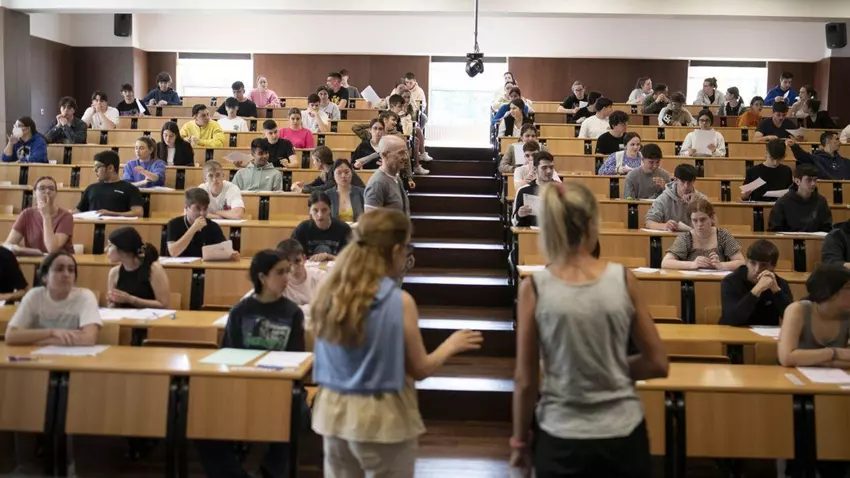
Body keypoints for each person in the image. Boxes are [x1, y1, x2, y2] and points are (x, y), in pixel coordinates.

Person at [510, 181, 668, 477]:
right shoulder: (623, 279)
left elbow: (525, 380)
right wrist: (609, 369)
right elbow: (658, 363)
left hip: (561, 433)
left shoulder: (534, 288)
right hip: (623, 433)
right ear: (593, 224)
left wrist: (519, 442)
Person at [312, 208, 482, 476]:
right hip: (382, 418)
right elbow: (420, 369)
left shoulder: (328, 292)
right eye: (407, 248)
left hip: (333, 414)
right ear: (394, 251)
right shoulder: (399, 301)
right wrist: (451, 345)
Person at [197, 249, 305, 478]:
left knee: (297, 412)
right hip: (242, 383)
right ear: (262, 277)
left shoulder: (293, 312)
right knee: (200, 415)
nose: (287, 277)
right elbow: (229, 354)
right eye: (280, 272)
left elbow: (296, 359)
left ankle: (270, 471)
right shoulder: (240, 311)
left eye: (287, 271)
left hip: (280, 386)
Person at [4, 251, 101, 346]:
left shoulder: (85, 296)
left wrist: (36, 341)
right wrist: (51, 332)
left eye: (71, 270)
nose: (66, 274)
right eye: (59, 269)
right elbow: (10, 336)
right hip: (38, 355)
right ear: (44, 276)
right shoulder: (34, 296)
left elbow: (89, 338)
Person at [778, 264, 850, 368]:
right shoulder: (798, 310)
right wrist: (834, 353)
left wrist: (817, 361)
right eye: (848, 287)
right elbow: (787, 358)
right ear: (829, 291)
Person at [720, 239, 793, 327]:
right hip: (734, 332)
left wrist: (776, 291)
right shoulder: (731, 282)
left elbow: (792, 318)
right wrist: (758, 289)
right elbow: (732, 319)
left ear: (773, 267)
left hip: (766, 334)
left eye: (763, 265)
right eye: (753, 263)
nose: (757, 269)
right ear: (747, 262)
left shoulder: (780, 284)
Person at [661, 199, 745, 271]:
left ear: (712, 218)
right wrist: (692, 264)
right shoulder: (686, 237)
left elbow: (741, 262)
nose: (699, 224)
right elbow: (665, 262)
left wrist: (721, 265)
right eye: (695, 220)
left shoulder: (723, 235)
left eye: (703, 219)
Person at [5, 176, 73, 255]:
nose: (47, 191)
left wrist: (46, 216)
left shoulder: (66, 216)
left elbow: (53, 250)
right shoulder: (26, 214)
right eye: (42, 188)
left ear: (56, 193)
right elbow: (8, 246)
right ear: (34, 193)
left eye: (51, 189)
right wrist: (29, 251)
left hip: (59, 261)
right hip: (33, 260)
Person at [105, 227, 170, 309]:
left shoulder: (154, 269)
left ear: (124, 248)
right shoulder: (114, 273)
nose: (105, 249)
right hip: (124, 317)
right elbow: (111, 306)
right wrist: (113, 302)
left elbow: (164, 305)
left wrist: (130, 299)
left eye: (110, 246)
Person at [166, 188, 235, 259]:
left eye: (205, 209)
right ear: (186, 207)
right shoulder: (174, 224)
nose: (202, 213)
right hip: (180, 265)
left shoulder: (213, 226)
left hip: (205, 265)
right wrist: (194, 228)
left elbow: (225, 250)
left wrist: (232, 254)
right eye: (197, 208)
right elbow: (173, 252)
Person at [74, 150, 144, 218]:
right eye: (94, 167)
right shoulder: (91, 188)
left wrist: (112, 214)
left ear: (110, 168)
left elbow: (138, 213)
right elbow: (78, 211)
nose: (94, 170)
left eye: (98, 166)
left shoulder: (130, 189)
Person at [768, 163, 832, 233]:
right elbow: (774, 230)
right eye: (809, 180)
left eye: (815, 180)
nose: (813, 183)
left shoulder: (821, 201)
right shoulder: (782, 202)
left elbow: (827, 228)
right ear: (797, 181)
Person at [292, 191, 351, 262]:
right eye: (315, 210)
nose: (320, 215)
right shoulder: (301, 229)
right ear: (309, 210)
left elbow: (351, 259)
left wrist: (329, 256)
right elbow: (291, 256)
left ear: (330, 209)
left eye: (324, 210)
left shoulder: (344, 229)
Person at [645, 163, 706, 232]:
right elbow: (649, 223)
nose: (686, 186)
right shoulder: (663, 199)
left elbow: (711, 223)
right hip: (671, 237)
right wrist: (665, 225)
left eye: (689, 182)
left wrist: (694, 206)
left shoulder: (701, 199)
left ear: (694, 181)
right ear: (675, 180)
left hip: (696, 237)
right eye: (682, 181)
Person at [275, 238, 326, 311]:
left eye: (297, 261)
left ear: (304, 259)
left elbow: (327, 306)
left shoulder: (320, 277)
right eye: (288, 264)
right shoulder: (279, 284)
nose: (293, 269)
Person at [364, 135, 411, 215]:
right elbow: (371, 221)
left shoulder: (396, 178)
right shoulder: (377, 184)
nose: (406, 157)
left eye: (405, 152)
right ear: (384, 155)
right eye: (401, 153)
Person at [512, 151, 556, 228]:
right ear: (535, 169)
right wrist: (519, 214)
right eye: (544, 168)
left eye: (551, 167)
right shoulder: (523, 190)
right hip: (530, 233)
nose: (549, 171)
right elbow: (514, 222)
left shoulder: (560, 190)